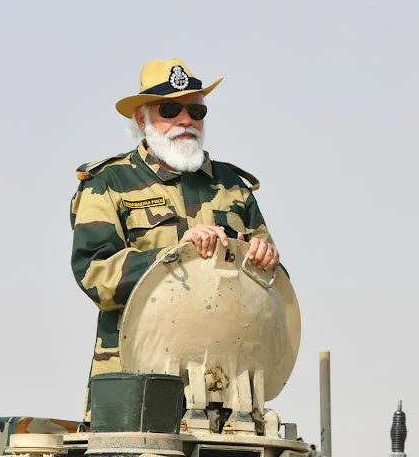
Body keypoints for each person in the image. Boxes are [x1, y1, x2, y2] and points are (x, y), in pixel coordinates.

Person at [69, 58, 280, 422]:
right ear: (142, 119)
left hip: (228, 396)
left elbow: (272, 289)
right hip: (134, 387)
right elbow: (96, 275)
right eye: (170, 110)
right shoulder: (108, 183)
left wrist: (264, 259)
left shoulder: (232, 187)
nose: (186, 120)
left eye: (196, 110)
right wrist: (174, 256)